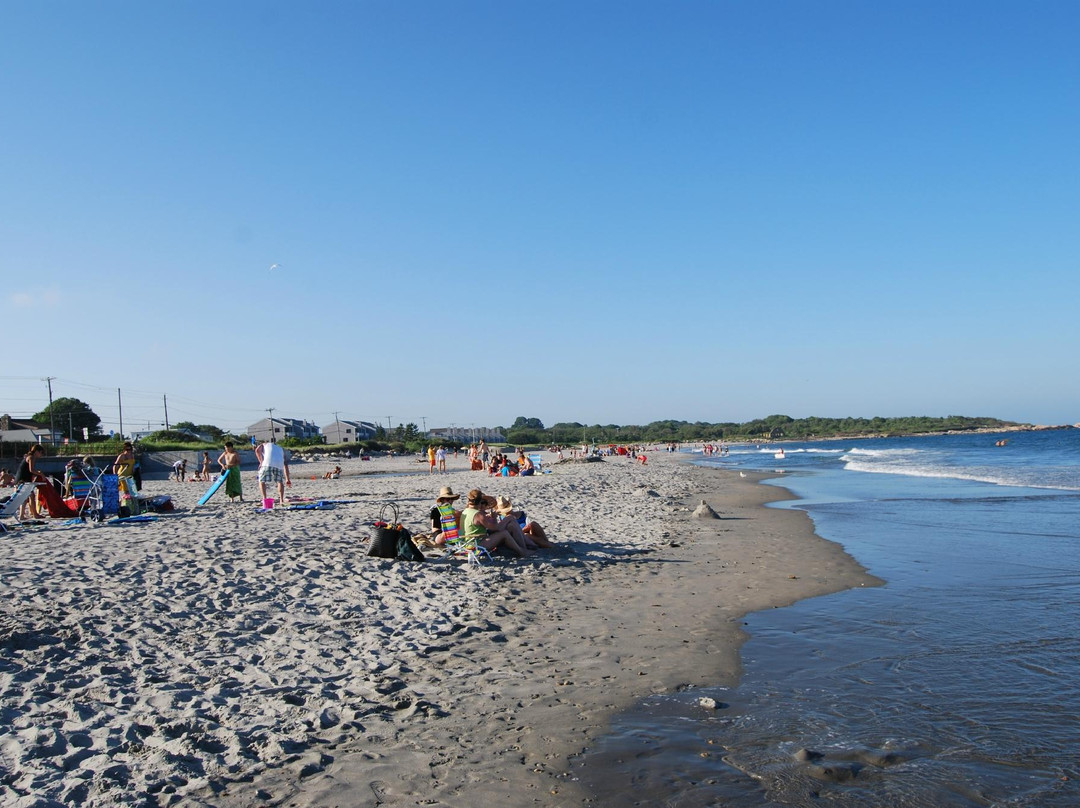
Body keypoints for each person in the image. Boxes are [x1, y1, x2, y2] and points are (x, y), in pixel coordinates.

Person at [460, 488, 534, 557]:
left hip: (467, 542)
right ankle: (522, 551)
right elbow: (497, 528)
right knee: (505, 532)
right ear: (479, 501)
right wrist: (496, 517)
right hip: (476, 545)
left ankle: (525, 547)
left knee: (511, 525)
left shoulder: (466, 511)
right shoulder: (478, 515)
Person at [256, 439, 291, 504]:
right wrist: (287, 479)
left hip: (267, 463)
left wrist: (261, 461)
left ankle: (264, 499)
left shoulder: (264, 444)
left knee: (261, 481)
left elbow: (257, 450)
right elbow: (285, 465)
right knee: (280, 481)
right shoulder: (280, 449)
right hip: (279, 464)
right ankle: (281, 500)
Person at [15, 444, 45, 519]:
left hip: (23, 479)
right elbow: (31, 469)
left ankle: (23, 515)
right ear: (37, 452)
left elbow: (30, 472)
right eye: (41, 453)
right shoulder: (31, 457)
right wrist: (41, 474)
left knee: (27, 497)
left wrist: (35, 477)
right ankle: (34, 514)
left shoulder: (31, 457)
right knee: (30, 496)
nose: (41, 455)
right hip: (22, 480)